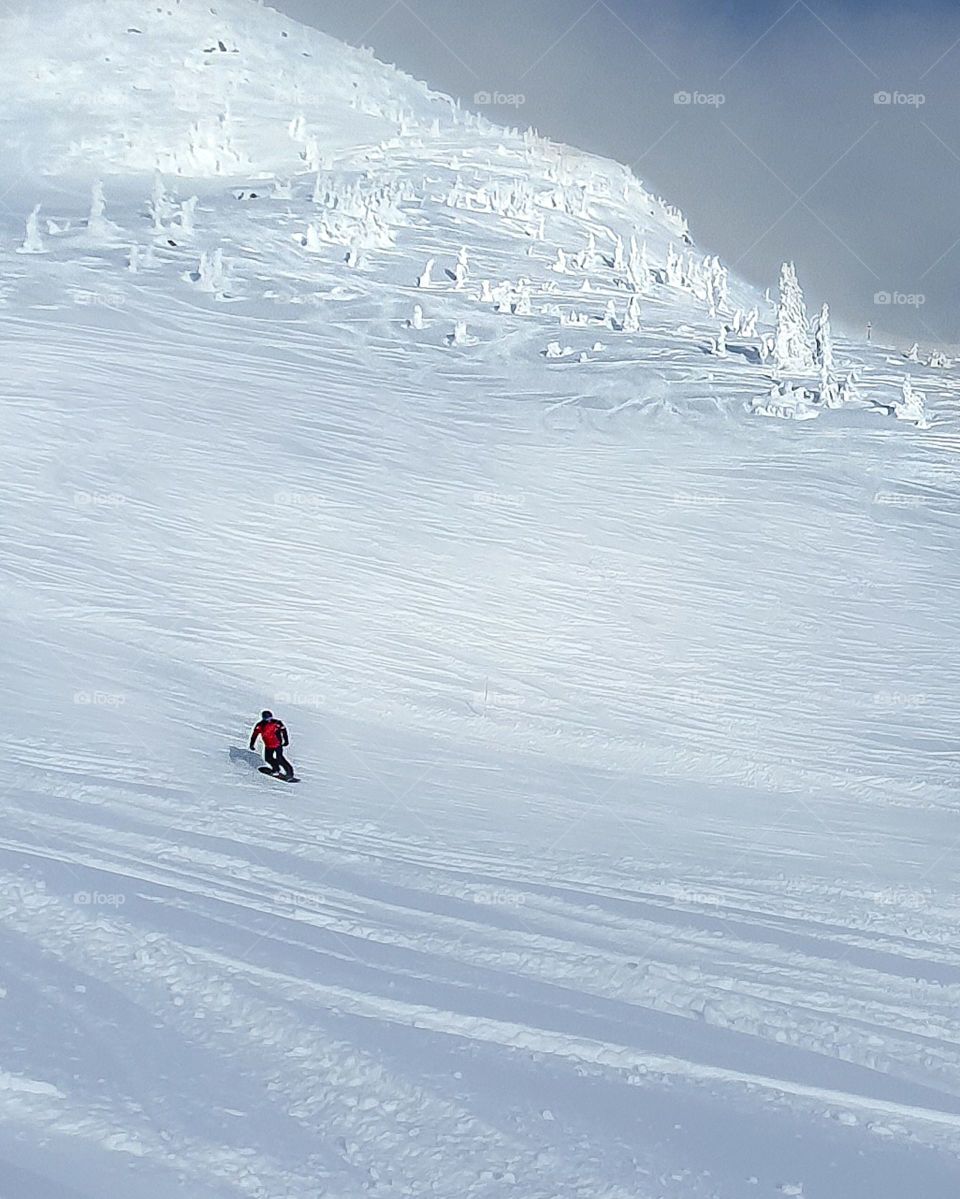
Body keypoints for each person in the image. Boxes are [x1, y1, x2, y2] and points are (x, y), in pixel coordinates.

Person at [249, 710, 295, 779]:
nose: (269, 720)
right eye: (267, 719)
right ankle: (276, 769)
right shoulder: (260, 725)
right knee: (268, 758)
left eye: (270, 718)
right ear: (263, 718)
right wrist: (252, 744)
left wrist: (286, 741)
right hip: (268, 745)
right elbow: (254, 735)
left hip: (277, 744)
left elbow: (284, 731)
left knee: (280, 759)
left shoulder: (277, 723)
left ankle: (290, 773)